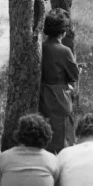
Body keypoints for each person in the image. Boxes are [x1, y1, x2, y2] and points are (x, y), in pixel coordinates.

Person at [39, 12, 80, 153]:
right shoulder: (64, 51)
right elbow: (74, 75)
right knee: (62, 138)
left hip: (42, 95)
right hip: (58, 96)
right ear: (63, 31)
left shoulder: (40, 47)